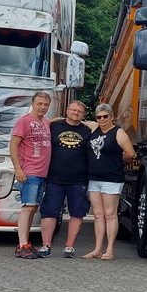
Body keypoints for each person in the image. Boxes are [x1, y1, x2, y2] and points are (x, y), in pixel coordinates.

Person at [36, 100, 93, 258]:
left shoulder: (88, 130)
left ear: (83, 114)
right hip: (54, 178)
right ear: (67, 111)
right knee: (49, 212)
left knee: (77, 212)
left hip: (79, 179)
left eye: (79, 111)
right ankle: (46, 245)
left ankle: (69, 247)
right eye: (73, 110)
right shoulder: (53, 126)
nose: (76, 113)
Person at [83, 103, 136, 260]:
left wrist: (117, 161)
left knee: (110, 214)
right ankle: (97, 249)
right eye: (99, 117)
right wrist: (60, 119)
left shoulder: (118, 133)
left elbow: (130, 153)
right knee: (98, 214)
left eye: (105, 116)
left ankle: (110, 250)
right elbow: (79, 120)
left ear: (112, 116)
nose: (102, 119)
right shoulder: (94, 128)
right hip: (94, 178)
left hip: (111, 179)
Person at [9, 91, 52, 259]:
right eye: (39, 103)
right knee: (27, 207)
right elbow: (13, 145)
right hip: (29, 171)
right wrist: (18, 169)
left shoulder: (46, 122)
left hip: (42, 173)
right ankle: (21, 245)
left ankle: (26, 243)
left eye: (46, 104)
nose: (42, 107)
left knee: (33, 207)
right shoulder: (24, 121)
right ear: (32, 103)